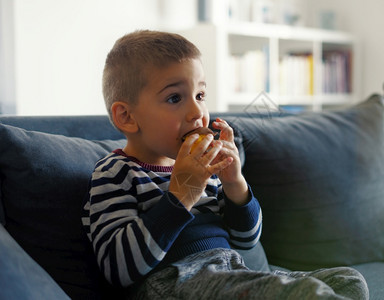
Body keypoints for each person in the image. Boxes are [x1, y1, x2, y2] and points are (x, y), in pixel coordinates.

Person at [82, 30, 369, 299]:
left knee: (348, 280)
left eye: (200, 96)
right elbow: (118, 269)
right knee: (306, 292)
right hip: (174, 282)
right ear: (127, 117)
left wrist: (234, 184)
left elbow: (246, 241)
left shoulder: (205, 168)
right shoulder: (115, 172)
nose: (197, 112)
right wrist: (182, 194)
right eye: (174, 98)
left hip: (231, 270)